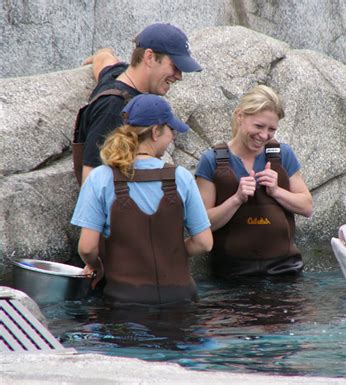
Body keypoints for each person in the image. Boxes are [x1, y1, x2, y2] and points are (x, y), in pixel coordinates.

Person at [71, 94, 212, 305]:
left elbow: (87, 248)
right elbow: (204, 243)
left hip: (125, 300)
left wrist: (97, 266)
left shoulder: (100, 178)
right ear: (156, 132)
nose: (172, 136)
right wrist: (170, 252)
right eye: (170, 130)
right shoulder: (180, 176)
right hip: (180, 299)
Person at [195, 85, 313, 277]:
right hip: (232, 278)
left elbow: (307, 207)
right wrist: (237, 199)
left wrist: (276, 191)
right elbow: (203, 223)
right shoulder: (212, 160)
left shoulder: (283, 155)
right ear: (240, 116)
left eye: (272, 129)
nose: (264, 135)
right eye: (258, 126)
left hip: (284, 272)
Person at [73, 22, 202, 185]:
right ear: (149, 57)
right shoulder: (114, 107)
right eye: (175, 66)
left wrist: (102, 52)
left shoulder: (116, 74)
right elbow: (91, 181)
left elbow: (104, 58)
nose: (179, 76)